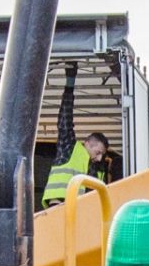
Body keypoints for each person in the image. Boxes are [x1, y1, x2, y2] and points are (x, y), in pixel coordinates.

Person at [41, 61, 113, 206]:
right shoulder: (69, 148)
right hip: (58, 206)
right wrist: (70, 84)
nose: (99, 158)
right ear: (87, 143)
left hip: (78, 213)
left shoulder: (95, 169)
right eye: (97, 152)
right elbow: (65, 120)